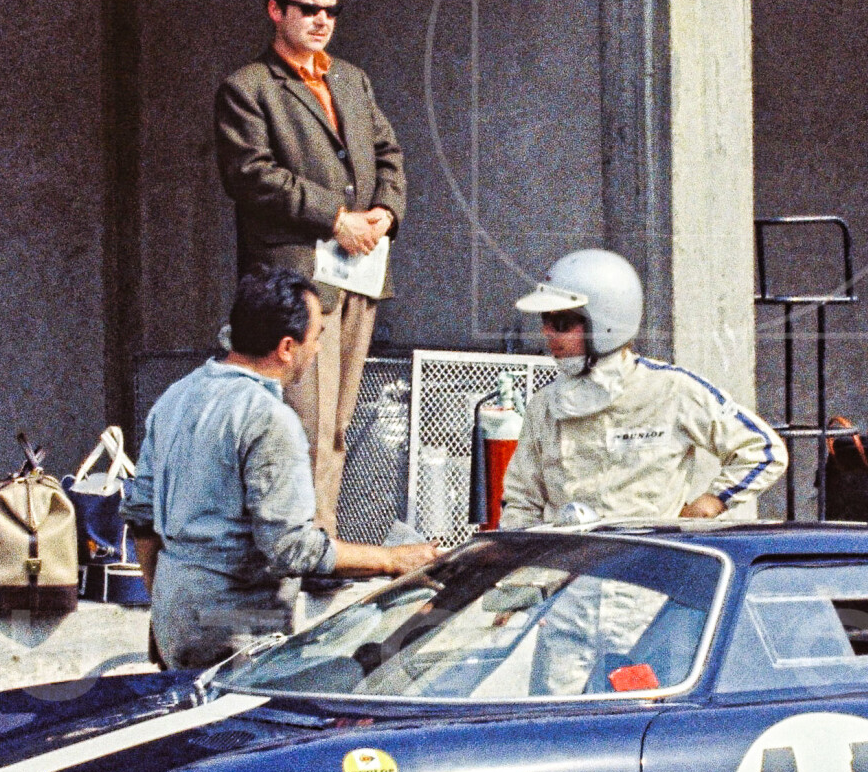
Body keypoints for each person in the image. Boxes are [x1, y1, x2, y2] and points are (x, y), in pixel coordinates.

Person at [124, 268, 436, 670]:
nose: (319, 349)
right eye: (317, 337)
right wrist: (391, 560)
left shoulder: (177, 395)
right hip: (233, 620)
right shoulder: (269, 417)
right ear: (287, 347)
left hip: (174, 613)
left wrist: (165, 607)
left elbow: (142, 519)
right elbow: (291, 548)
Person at [215, 0, 407, 535]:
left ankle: (319, 534)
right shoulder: (247, 87)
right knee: (304, 420)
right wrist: (335, 217)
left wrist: (385, 212)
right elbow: (251, 174)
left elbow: (388, 153)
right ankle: (296, 539)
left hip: (358, 271)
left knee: (339, 422)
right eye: (308, 9)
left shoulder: (351, 79)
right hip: (297, 278)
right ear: (276, 10)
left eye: (331, 11)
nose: (322, 21)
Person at [499, 249, 787, 527]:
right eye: (545, 321)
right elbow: (521, 502)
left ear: (606, 321)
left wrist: (708, 504)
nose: (548, 333)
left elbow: (763, 450)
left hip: (649, 555)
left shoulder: (671, 389)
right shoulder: (545, 406)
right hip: (574, 556)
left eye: (561, 323)